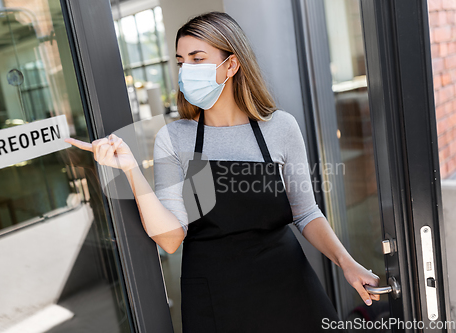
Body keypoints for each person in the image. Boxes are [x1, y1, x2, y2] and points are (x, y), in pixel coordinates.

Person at [66, 11, 380, 333]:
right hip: (214, 294)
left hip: (286, 281)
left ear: (231, 65)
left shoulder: (280, 128)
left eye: (198, 59)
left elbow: (305, 212)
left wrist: (347, 263)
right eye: (181, 61)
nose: (186, 70)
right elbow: (171, 239)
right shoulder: (175, 138)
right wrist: (131, 170)